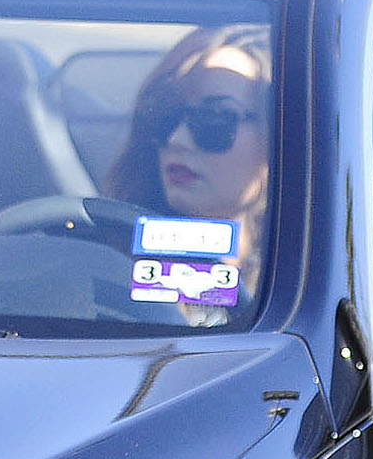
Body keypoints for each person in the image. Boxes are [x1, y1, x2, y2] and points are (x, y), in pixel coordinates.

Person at [106, 22, 273, 321]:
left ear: (276, 138)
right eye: (165, 114)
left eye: (215, 117)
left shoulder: (304, 286)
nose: (177, 139)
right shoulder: (102, 264)